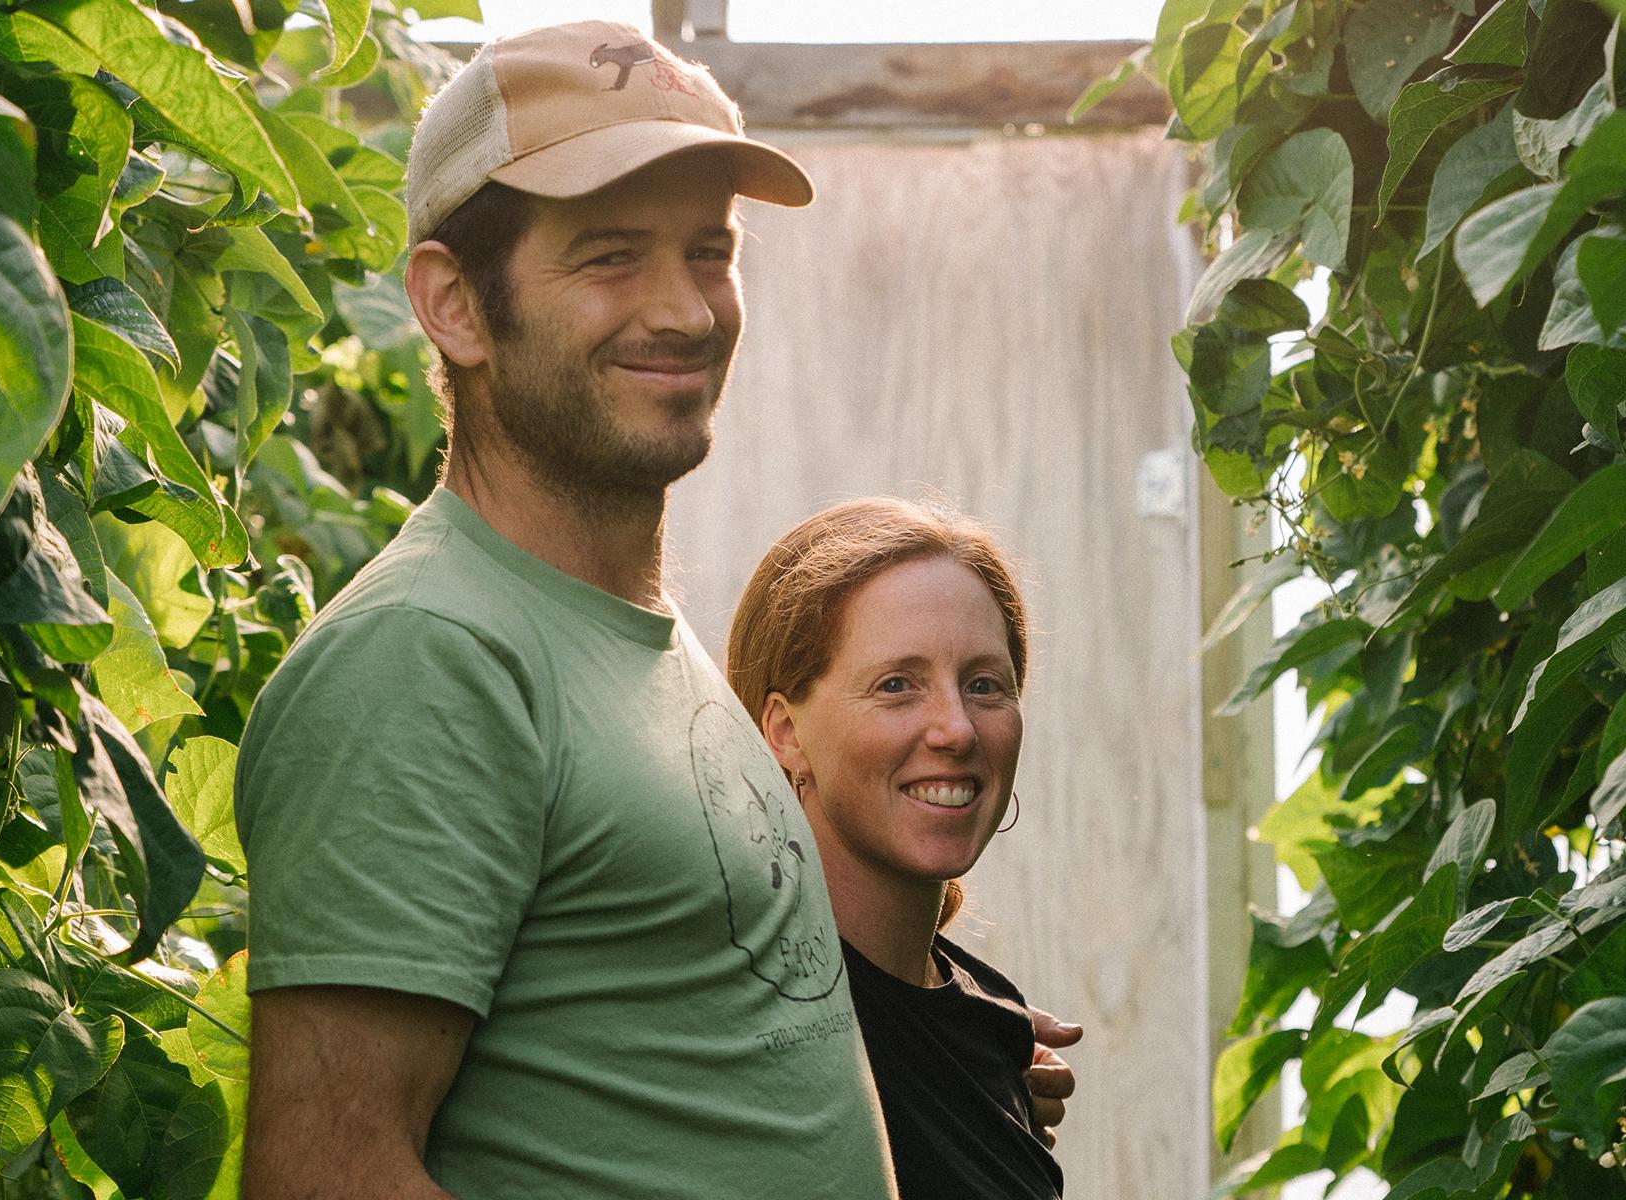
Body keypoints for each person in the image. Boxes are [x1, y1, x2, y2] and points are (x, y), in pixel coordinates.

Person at [233, 20, 1075, 1200]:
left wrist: (951, 1063)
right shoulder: (429, 655)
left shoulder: (636, 637)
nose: (685, 311)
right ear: (454, 305)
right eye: (611, 257)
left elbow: (675, 1049)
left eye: (709, 252)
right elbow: (328, 1172)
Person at [726, 497, 1064, 1200]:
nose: (957, 730)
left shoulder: (990, 1023)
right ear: (784, 732)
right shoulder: (736, 1010)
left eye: (984, 685)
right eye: (897, 686)